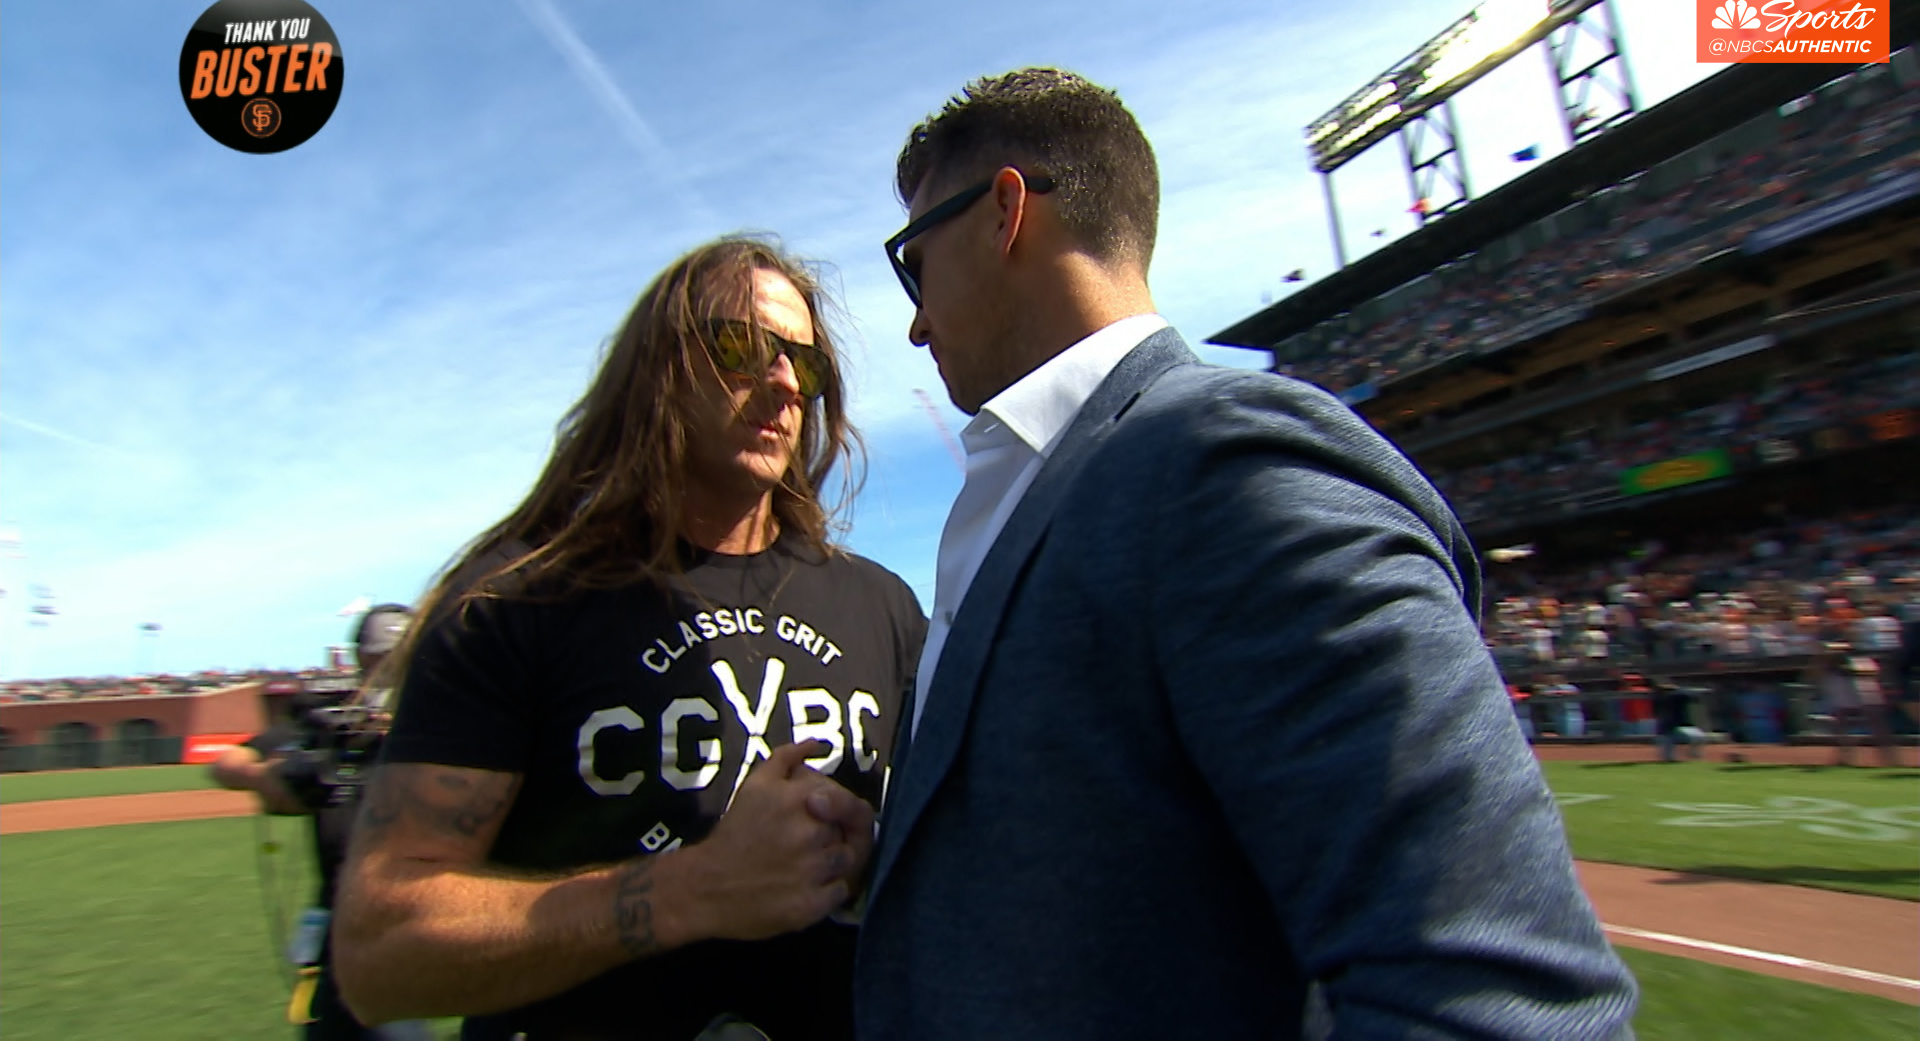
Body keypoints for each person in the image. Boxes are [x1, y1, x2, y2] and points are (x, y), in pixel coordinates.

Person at [855, 68, 1636, 1038]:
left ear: (1004, 213)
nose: (916, 320)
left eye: (912, 264)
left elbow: (1497, 1000)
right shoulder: (1048, 483)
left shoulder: (1223, 457)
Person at [331, 236, 925, 1041]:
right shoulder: (518, 602)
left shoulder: (884, 609)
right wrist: (694, 889)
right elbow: (379, 956)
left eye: (805, 364)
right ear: (658, 368)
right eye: (740, 347)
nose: (784, 381)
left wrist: (874, 858)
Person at [210, 604, 430, 1040]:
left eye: (399, 655)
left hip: (420, 903)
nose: (387, 669)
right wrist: (275, 778)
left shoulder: (444, 712)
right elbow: (227, 764)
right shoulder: (330, 716)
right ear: (358, 659)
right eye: (377, 657)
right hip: (339, 909)